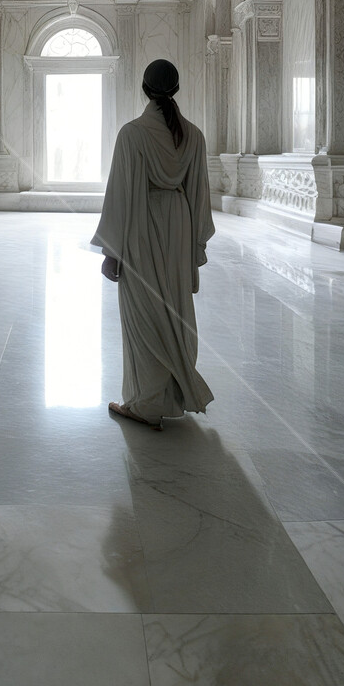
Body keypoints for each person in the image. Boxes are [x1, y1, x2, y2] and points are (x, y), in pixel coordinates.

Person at [92, 59, 215, 430]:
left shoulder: (132, 133)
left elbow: (120, 193)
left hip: (142, 225)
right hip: (179, 223)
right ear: (175, 90)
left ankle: (146, 404)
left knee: (143, 312)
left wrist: (112, 251)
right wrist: (195, 244)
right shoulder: (193, 135)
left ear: (144, 90)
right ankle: (169, 395)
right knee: (173, 308)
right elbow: (199, 193)